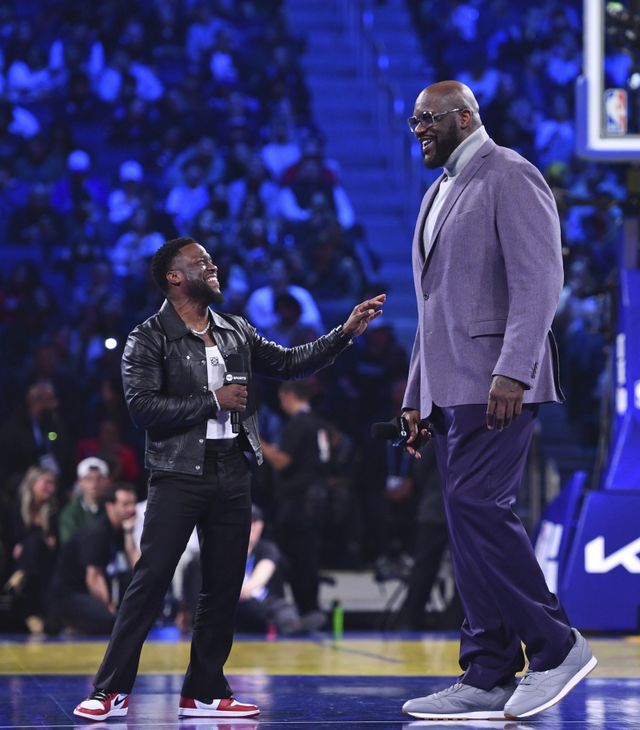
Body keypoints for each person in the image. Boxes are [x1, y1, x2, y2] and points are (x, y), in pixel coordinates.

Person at [73, 236, 385, 722]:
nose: (212, 265)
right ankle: (110, 689)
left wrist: (344, 333)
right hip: (177, 472)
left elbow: (288, 363)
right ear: (174, 277)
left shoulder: (235, 329)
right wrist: (212, 401)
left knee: (222, 586)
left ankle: (204, 690)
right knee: (151, 580)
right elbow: (143, 409)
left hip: (232, 469)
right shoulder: (149, 337)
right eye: (200, 262)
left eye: (211, 260)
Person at [399, 81, 596, 722]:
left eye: (427, 119)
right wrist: (416, 394)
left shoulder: (509, 173)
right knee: (465, 524)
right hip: (449, 389)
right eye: (412, 121)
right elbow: (431, 308)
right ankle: (487, 670)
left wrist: (514, 370)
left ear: (464, 116)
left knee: (481, 510)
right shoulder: (437, 191)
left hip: (495, 385)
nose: (418, 130)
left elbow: (540, 280)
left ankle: (557, 647)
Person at [261, 380, 331, 620]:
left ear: (289, 395)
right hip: (316, 501)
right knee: (308, 557)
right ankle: (310, 608)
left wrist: (258, 442)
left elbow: (282, 461)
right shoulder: (318, 422)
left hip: (298, 503)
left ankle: (306, 611)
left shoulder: (298, 424)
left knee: (298, 559)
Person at [49, 482, 138, 636]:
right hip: (70, 594)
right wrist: (107, 607)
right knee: (113, 624)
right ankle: (66, 623)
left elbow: (136, 566)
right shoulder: (97, 532)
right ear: (110, 506)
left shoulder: (119, 529)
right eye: (125, 505)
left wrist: (129, 533)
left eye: (133, 504)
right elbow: (93, 578)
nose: (131, 509)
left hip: (93, 588)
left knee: (136, 584)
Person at [58, 457, 109, 545]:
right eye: (88, 479)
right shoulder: (70, 513)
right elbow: (69, 544)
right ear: (80, 483)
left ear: (107, 481)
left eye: (99, 478)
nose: (94, 484)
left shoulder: (112, 508)